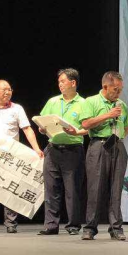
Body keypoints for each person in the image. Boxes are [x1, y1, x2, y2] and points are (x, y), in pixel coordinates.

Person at [0, 79, 44, 234]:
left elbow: (27, 129)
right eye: (4, 89)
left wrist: (37, 149)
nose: (7, 92)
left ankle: (11, 223)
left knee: (10, 188)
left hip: (10, 156)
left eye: (9, 89)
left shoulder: (17, 108)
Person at [79, 71, 128, 241]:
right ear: (105, 86)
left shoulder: (122, 105)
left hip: (117, 146)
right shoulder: (91, 101)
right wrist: (108, 115)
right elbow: (85, 123)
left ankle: (116, 228)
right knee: (95, 188)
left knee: (116, 188)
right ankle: (90, 228)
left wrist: (117, 137)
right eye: (115, 89)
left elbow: (126, 127)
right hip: (98, 146)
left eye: (120, 89)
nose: (118, 93)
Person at [37, 68, 88, 236]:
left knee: (72, 190)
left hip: (73, 150)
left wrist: (76, 132)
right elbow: (42, 121)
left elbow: (88, 128)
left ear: (73, 83)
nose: (60, 84)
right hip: (52, 149)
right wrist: (42, 128)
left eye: (63, 81)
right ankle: (51, 225)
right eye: (59, 82)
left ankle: (73, 225)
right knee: (51, 189)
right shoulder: (53, 101)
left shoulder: (83, 103)